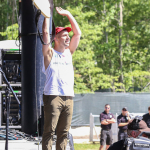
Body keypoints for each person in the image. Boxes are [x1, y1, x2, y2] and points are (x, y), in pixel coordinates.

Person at [42, 7, 81, 150]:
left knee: (64, 133)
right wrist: (46, 15)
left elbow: (78, 34)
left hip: (69, 97)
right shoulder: (49, 53)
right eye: (64, 35)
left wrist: (68, 14)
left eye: (67, 35)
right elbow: (45, 33)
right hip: (53, 96)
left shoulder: (68, 53)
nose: (68, 37)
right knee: (49, 132)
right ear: (55, 38)